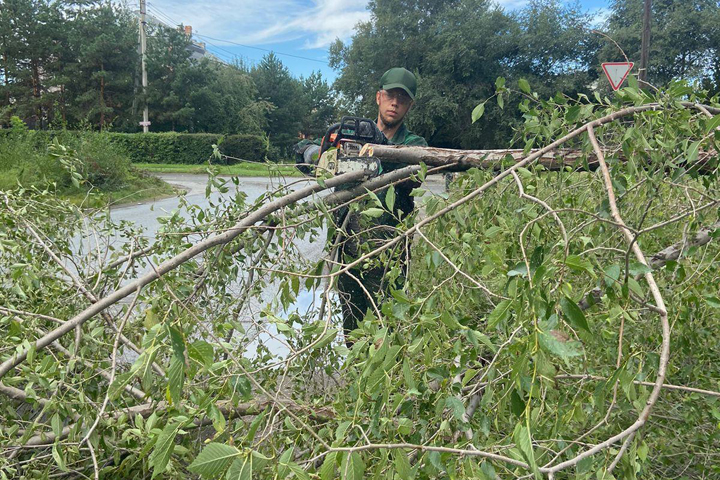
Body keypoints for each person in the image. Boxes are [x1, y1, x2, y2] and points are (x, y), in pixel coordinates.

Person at [296, 67, 427, 340]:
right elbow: (315, 159)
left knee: (386, 328)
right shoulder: (351, 135)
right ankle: (356, 379)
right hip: (347, 250)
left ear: (409, 105)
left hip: (389, 253)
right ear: (379, 97)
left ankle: (385, 380)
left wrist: (379, 149)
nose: (395, 103)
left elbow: (413, 169)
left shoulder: (414, 143)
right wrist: (313, 152)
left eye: (402, 99)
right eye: (390, 96)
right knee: (352, 329)